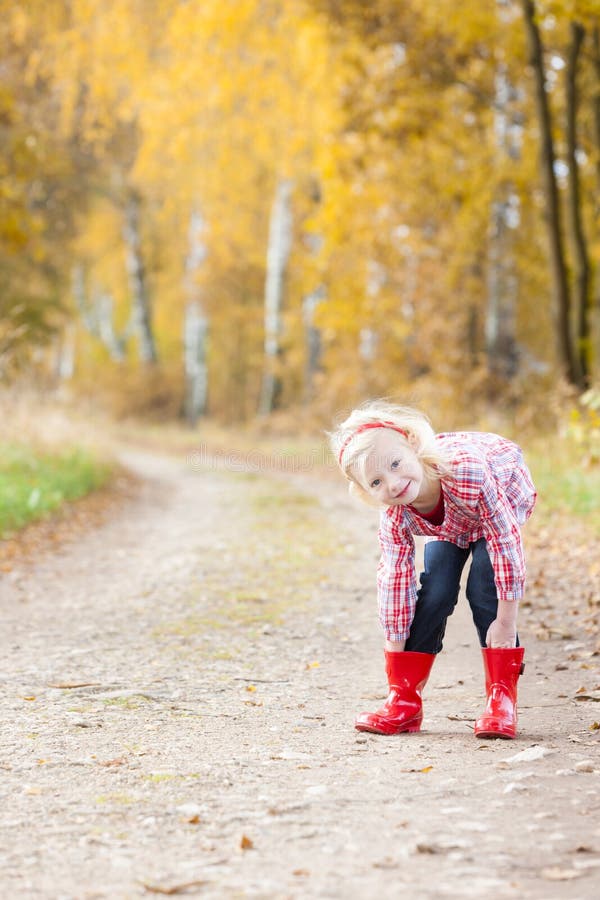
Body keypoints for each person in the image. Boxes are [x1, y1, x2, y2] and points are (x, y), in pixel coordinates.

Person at [329, 400, 537, 740]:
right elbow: (394, 581)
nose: (393, 484)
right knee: (436, 589)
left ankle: (501, 698)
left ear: (412, 443)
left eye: (396, 464)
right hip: (450, 523)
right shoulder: (395, 514)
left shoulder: (470, 472)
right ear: (366, 492)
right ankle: (405, 702)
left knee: (483, 587)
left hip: (495, 498)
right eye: (377, 482)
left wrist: (506, 622)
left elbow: (505, 544)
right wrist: (395, 660)